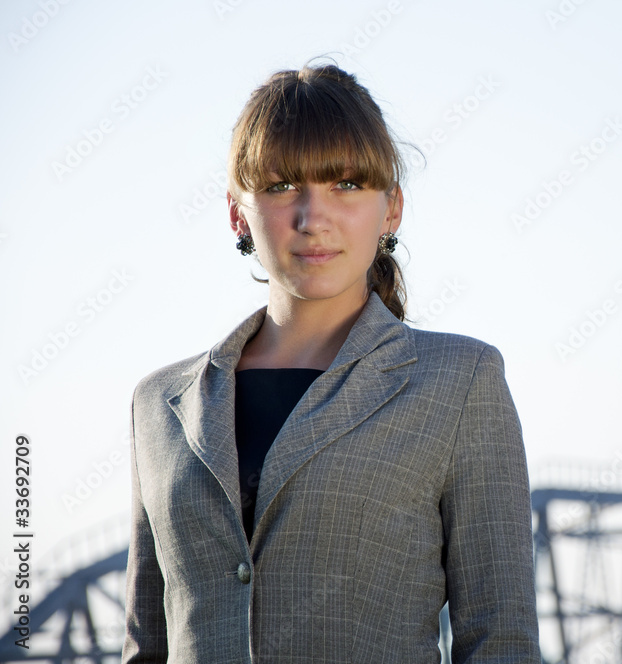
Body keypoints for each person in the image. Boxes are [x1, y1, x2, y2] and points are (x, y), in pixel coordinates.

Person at [122, 60, 540, 663]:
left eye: (345, 184)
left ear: (390, 209)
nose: (312, 217)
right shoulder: (158, 404)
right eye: (281, 185)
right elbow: (147, 648)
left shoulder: (460, 383)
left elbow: (500, 643)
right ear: (239, 213)